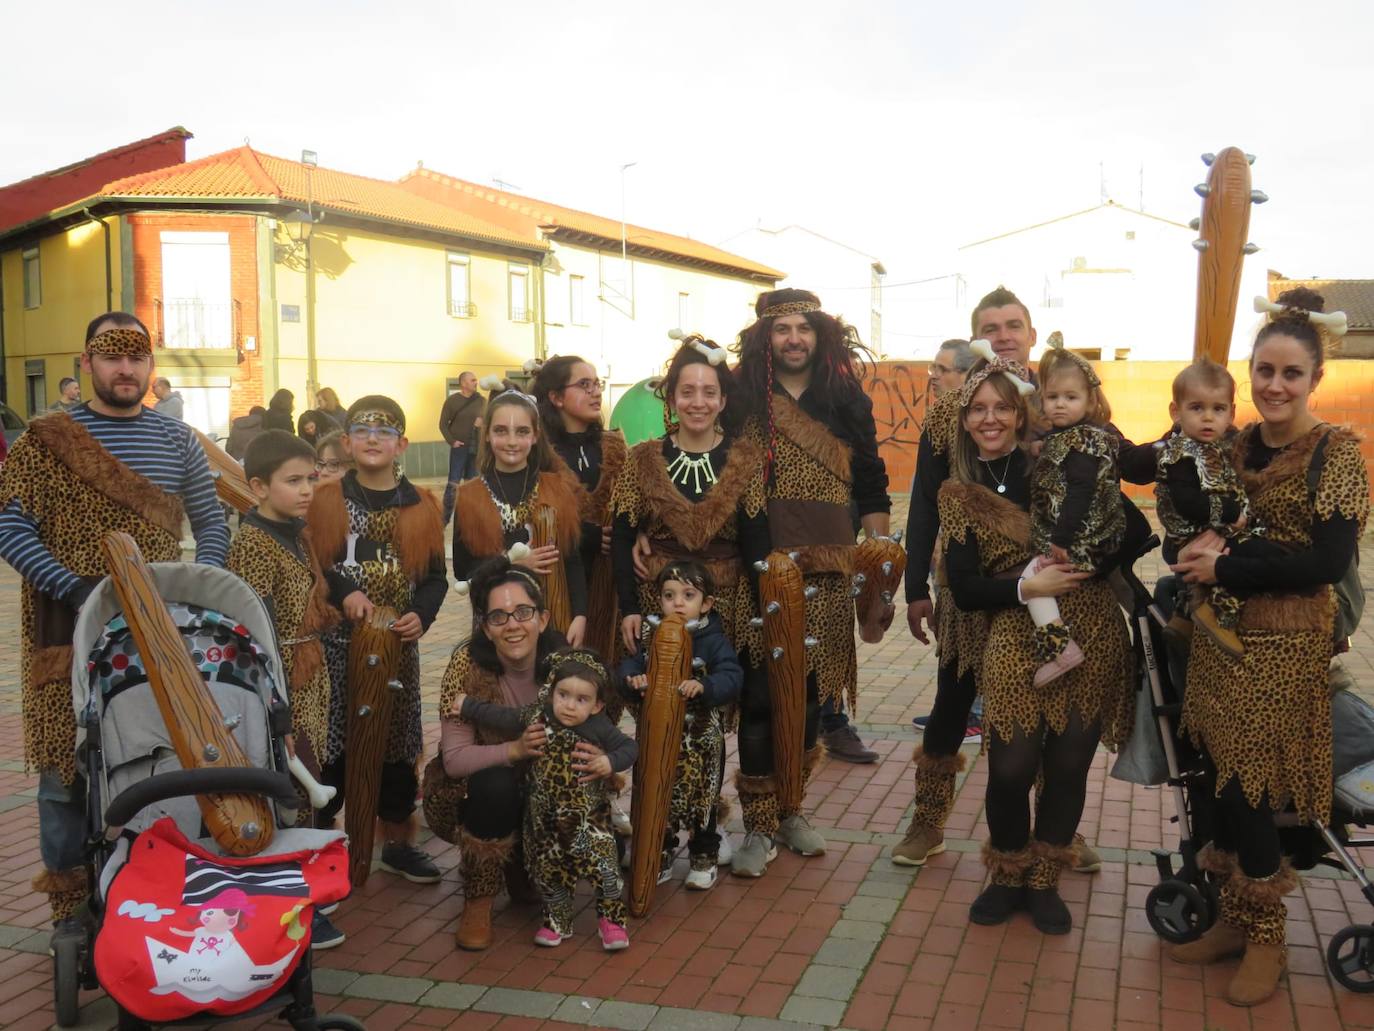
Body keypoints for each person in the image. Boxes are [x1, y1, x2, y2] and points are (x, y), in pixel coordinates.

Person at [0, 312, 229, 940]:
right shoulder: (44, 440)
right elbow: (10, 528)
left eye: (137, 355)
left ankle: (152, 887)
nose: (125, 368)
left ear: (151, 367)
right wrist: (77, 588)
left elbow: (210, 523)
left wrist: (197, 588)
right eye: (111, 354)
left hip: (154, 628)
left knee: (153, 757)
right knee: (62, 773)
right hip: (63, 621)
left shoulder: (179, 440)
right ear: (87, 362)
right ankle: (70, 912)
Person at [1170, 288, 1368, 1007]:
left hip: (1287, 641)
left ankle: (1267, 938)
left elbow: (1323, 563)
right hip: (1220, 637)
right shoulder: (1239, 443)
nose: (1274, 385)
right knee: (1217, 777)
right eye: (1263, 370)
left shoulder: (1335, 454)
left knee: (1250, 784)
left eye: (1290, 372)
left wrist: (1226, 567)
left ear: (1316, 377)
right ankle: (1230, 917)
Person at [896, 286, 1108, 873]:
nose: (1005, 335)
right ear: (977, 340)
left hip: (1043, 588)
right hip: (969, 586)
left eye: (1014, 325)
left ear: (1033, 334)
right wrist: (916, 587)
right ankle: (927, 821)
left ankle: (1055, 832)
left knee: (1045, 708)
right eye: (991, 328)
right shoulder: (950, 411)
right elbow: (922, 506)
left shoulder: (1055, 404)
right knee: (951, 702)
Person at [938, 355, 1132, 935]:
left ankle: (1044, 879)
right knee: (1010, 768)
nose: (991, 418)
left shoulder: (1058, 464)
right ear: (965, 420)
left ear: (1023, 415)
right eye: (978, 409)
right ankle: (1007, 874)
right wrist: (1029, 586)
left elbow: (1131, 529)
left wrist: (1092, 559)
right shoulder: (959, 492)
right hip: (1015, 633)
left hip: (1093, 625)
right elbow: (968, 589)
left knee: (1069, 767)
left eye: (1002, 407)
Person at [730, 288, 891, 875]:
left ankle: (792, 810)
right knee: (760, 694)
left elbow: (871, 479)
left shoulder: (844, 396)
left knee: (807, 694)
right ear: (763, 338)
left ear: (820, 334)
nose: (794, 338)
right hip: (760, 560)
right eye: (781, 329)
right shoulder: (740, 395)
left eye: (803, 327)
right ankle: (756, 825)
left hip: (830, 564)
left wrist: (880, 560)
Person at [611, 336, 768, 868]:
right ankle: (653, 827)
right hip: (660, 606)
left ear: (723, 399)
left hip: (728, 609)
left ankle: (707, 828)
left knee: (708, 725)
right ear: (671, 399)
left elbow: (757, 542)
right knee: (656, 720)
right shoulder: (642, 460)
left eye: (708, 391)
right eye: (687, 391)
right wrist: (632, 607)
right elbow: (620, 536)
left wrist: (761, 614)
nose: (697, 401)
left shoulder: (746, 461)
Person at [306, 395, 447, 884]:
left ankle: (396, 843)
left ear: (401, 444)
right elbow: (317, 563)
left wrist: (419, 616)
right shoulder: (325, 500)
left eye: (384, 432)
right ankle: (322, 839)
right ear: (346, 442)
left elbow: (434, 578)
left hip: (395, 653)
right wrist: (343, 592)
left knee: (396, 747)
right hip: (334, 650)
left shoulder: (422, 505)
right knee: (332, 748)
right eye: (362, 431)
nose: (372, 439)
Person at [432, 558, 606, 951]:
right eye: (498, 616)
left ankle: (524, 869)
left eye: (523, 612)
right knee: (496, 786)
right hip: (477, 793)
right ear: (486, 628)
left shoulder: (567, 665)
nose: (512, 625)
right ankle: (478, 899)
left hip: (548, 789)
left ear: (542, 619)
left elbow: (599, 731)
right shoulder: (467, 666)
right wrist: (514, 749)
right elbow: (454, 759)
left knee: (596, 819)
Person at [226, 430, 343, 948]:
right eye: (292, 481)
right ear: (256, 486)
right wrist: (279, 712)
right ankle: (295, 906)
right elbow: (251, 635)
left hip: (307, 672)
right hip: (279, 681)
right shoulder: (251, 544)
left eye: (310, 479)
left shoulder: (294, 532)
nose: (305, 491)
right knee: (293, 788)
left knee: (310, 781)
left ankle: (307, 889)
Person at [457, 648, 636, 950]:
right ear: (551, 693)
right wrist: (467, 705)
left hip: (589, 818)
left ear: (597, 705)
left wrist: (609, 761)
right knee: (550, 871)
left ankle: (612, 921)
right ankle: (557, 920)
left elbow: (630, 747)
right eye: (563, 695)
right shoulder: (538, 715)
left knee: (604, 866)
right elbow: (503, 716)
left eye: (582, 700)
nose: (569, 705)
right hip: (544, 818)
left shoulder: (598, 726)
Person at [617, 561, 744, 890]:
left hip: (701, 742)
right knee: (657, 794)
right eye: (669, 595)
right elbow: (627, 665)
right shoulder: (651, 634)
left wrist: (706, 686)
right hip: (658, 739)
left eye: (688, 595)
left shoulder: (713, 640)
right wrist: (633, 678)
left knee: (703, 801)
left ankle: (704, 856)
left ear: (706, 604)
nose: (677, 602)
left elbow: (732, 675)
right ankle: (658, 853)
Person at [1154, 360, 1288, 658]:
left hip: (1212, 527)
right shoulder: (1179, 453)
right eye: (1196, 408)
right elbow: (1188, 502)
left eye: (1217, 409)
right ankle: (1214, 616)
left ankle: (1184, 619)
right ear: (1176, 412)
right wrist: (1231, 513)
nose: (1207, 418)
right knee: (1244, 555)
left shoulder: (1227, 446)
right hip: (1190, 531)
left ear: (1231, 413)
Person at [452, 387, 587, 646]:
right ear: (488, 435)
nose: (512, 441)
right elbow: (463, 570)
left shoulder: (558, 487)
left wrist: (580, 615)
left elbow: (573, 560)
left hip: (555, 617)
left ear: (535, 436)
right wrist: (511, 563)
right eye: (501, 431)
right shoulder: (470, 495)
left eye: (522, 431)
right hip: (498, 621)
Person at [1022, 346, 1124, 686]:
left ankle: (1061, 648)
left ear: (1090, 402)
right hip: (1088, 538)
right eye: (1052, 397)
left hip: (1081, 539)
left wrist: (1060, 539)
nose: (1060, 404)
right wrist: (1041, 447)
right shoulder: (1072, 437)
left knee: (1033, 578)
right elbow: (1057, 449)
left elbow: (1080, 492)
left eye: (1070, 397)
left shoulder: (1082, 443)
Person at [533, 356, 628, 663]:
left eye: (596, 384)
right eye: (583, 385)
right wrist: (588, 534)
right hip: (558, 580)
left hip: (608, 581)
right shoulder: (539, 452)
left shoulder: (613, 445)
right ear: (556, 397)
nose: (595, 392)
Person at [439, 372, 485, 522]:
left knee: (471, 483)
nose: (476, 382)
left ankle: (469, 517)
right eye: (472, 380)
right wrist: (452, 441)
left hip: (476, 448)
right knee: (453, 482)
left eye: (475, 380)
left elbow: (490, 421)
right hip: (459, 448)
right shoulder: (452, 401)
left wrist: (481, 425)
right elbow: (443, 425)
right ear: (463, 383)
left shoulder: (482, 401)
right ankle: (443, 520)